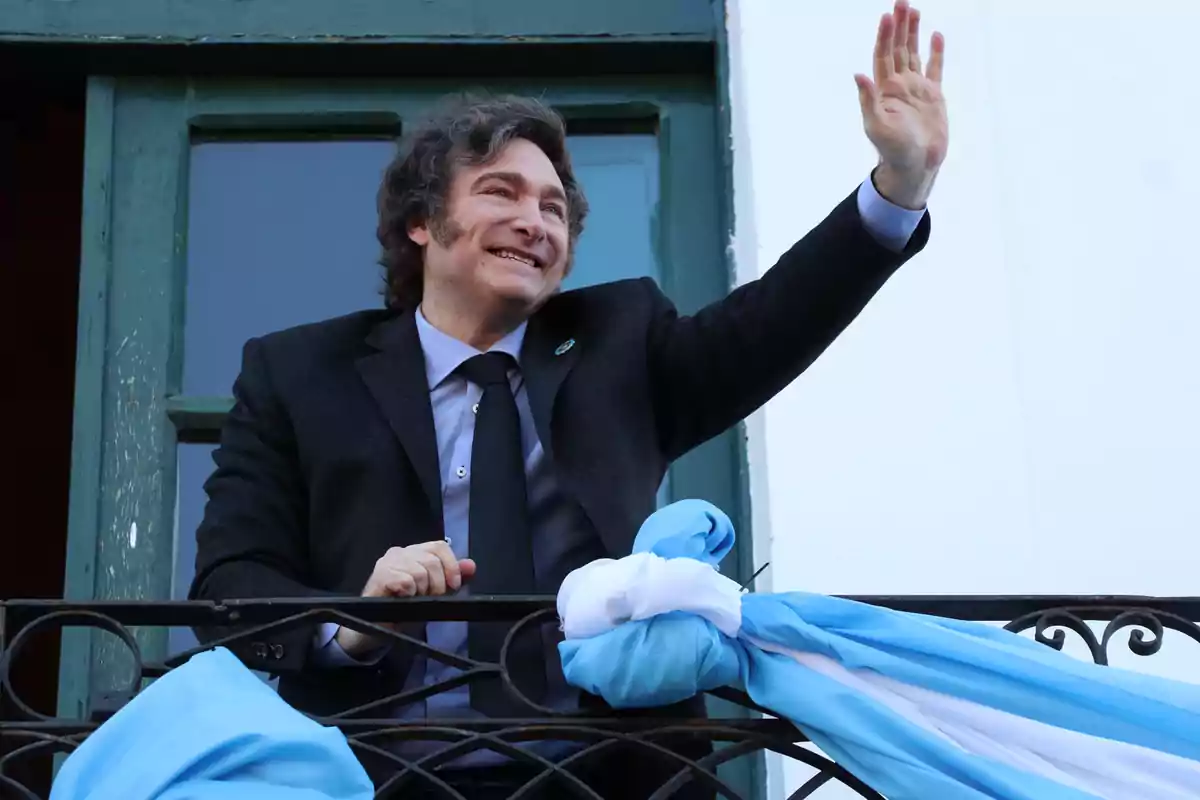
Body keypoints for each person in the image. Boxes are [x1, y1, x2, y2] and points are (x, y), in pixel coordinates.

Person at [189, 2, 948, 796]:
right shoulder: (299, 371)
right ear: (421, 221)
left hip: (613, 776)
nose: (534, 222)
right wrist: (350, 626)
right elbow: (230, 584)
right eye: (501, 193)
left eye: (553, 208)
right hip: (374, 773)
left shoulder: (621, 342)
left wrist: (897, 188)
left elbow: (773, 323)